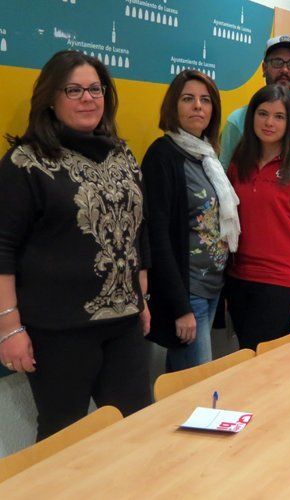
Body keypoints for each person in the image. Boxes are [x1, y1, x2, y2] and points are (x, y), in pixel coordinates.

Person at [0, 50, 151, 440]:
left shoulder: (122, 155)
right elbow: (3, 250)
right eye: (74, 90)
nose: (88, 98)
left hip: (124, 325)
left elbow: (139, 233)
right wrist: (9, 328)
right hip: (58, 330)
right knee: (63, 438)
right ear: (51, 98)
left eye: (95, 89)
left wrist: (142, 299)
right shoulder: (25, 162)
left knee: (136, 430)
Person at [141, 70, 239, 371]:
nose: (198, 106)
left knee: (184, 379)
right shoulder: (163, 155)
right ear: (174, 106)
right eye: (188, 99)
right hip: (188, 292)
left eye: (205, 100)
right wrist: (179, 307)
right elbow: (157, 236)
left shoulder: (208, 157)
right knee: (196, 384)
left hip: (210, 287)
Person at [225, 84, 290, 350]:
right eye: (263, 113)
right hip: (239, 281)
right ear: (252, 118)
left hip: (281, 286)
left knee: (269, 372)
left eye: (279, 116)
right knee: (245, 359)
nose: (269, 122)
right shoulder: (239, 163)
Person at [219, 35, 290, 168]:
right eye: (277, 62)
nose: (284, 70)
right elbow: (224, 175)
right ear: (264, 68)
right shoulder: (237, 119)